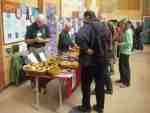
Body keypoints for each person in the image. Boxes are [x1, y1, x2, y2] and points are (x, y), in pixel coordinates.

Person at [76, 10, 111, 113]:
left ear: (87, 17)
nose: (83, 20)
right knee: (100, 84)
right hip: (102, 60)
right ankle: (100, 107)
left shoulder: (87, 26)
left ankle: (86, 107)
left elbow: (79, 37)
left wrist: (86, 49)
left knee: (86, 84)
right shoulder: (104, 26)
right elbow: (109, 40)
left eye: (84, 18)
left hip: (89, 62)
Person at [25, 14, 50, 94]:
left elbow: (49, 39)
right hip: (32, 50)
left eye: (42, 23)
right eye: (39, 23)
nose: (41, 25)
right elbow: (26, 41)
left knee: (44, 68)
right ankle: (35, 85)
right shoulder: (30, 28)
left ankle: (43, 85)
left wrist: (42, 41)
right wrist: (34, 40)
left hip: (42, 49)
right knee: (34, 68)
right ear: (36, 21)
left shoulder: (45, 26)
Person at [117, 20, 134, 88]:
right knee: (121, 66)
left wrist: (120, 44)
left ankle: (126, 83)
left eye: (122, 25)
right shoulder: (125, 31)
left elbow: (129, 43)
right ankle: (122, 79)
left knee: (125, 68)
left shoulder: (128, 32)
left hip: (125, 52)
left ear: (126, 24)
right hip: (123, 51)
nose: (121, 26)